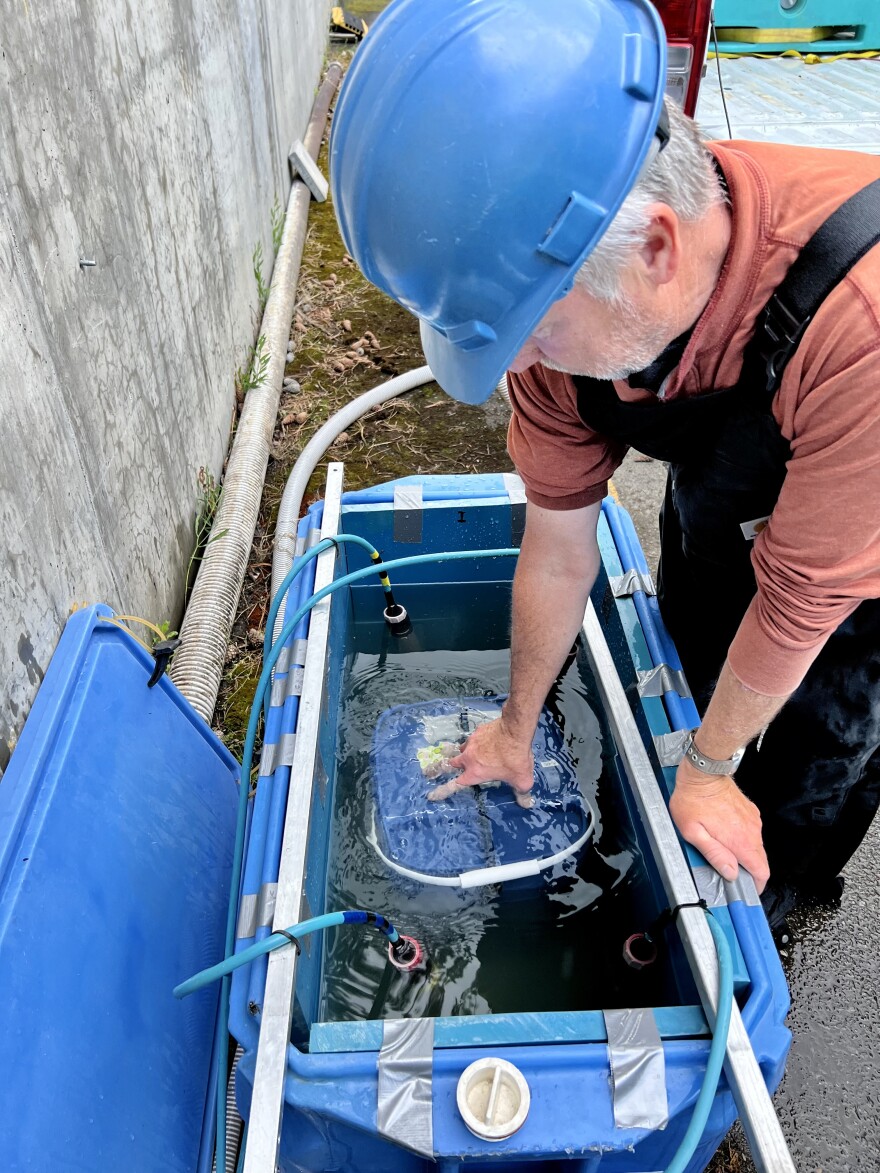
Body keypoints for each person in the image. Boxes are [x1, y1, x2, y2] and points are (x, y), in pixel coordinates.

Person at [330, 0, 880, 928]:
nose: (514, 363)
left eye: (530, 328)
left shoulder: (857, 323)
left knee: (828, 739)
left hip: (856, 537)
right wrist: (514, 726)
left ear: (654, 250)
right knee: (696, 627)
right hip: (732, 485)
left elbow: (803, 600)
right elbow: (556, 550)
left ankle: (785, 896)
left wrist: (708, 771)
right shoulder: (564, 325)